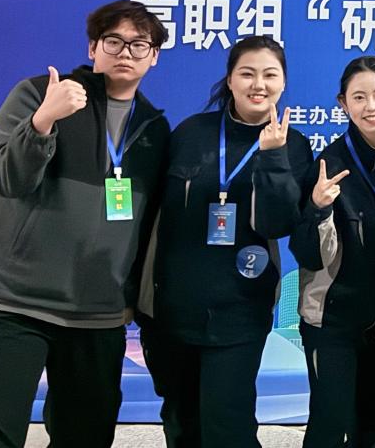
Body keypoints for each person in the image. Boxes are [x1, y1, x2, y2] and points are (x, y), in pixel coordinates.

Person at [0, 0, 170, 448]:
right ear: (93, 47)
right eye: (114, 41)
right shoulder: (40, 94)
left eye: (139, 44)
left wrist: (130, 300)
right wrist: (43, 121)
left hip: (97, 315)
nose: (125, 52)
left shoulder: (154, 130)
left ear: (154, 56)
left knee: (86, 438)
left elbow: (146, 229)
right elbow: (7, 179)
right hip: (11, 303)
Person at [140, 34, 310, 447]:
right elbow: (152, 215)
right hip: (174, 307)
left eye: (270, 75)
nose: (258, 84)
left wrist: (272, 156)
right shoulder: (191, 133)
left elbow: (276, 224)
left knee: (228, 424)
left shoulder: (293, 145)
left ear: (283, 83)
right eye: (247, 73)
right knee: (181, 421)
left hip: (241, 307)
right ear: (230, 80)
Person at [290, 56, 375, 448]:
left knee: (373, 424)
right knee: (331, 424)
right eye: (358, 97)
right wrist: (318, 208)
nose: (371, 106)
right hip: (334, 320)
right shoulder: (329, 164)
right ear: (343, 103)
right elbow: (308, 255)